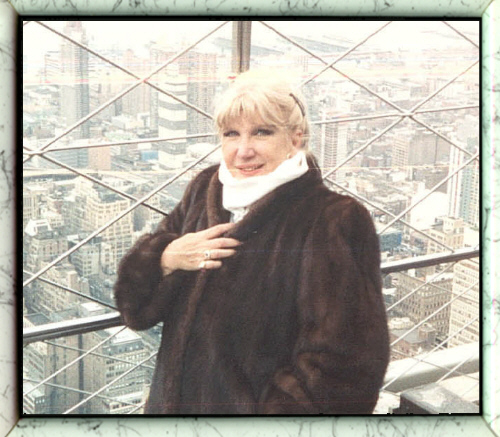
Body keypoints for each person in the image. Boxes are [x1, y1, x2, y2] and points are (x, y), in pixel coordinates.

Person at [114, 70, 390, 415]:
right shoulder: (205, 189)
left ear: (296, 138)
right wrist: (165, 257)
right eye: (231, 133)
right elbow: (134, 310)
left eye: (262, 132)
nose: (243, 150)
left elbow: (346, 366)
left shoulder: (332, 220)